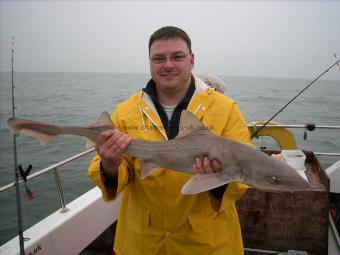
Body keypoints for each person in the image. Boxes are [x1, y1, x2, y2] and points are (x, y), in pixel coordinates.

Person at [88, 26, 252, 255]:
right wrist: (109, 164)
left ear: (192, 60)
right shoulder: (125, 112)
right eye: (159, 58)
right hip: (141, 241)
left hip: (206, 243)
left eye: (177, 57)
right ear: (150, 62)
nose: (168, 65)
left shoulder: (226, 110)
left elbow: (244, 175)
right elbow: (116, 176)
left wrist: (219, 180)